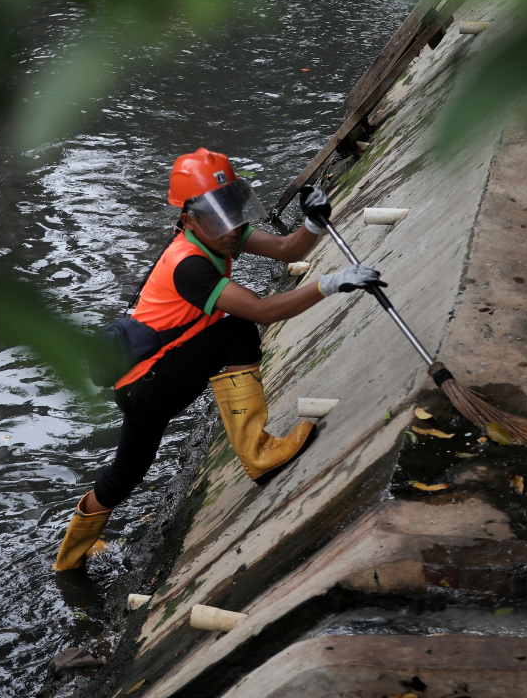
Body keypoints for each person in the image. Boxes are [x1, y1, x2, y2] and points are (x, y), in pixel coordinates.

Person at [53, 148, 382, 572]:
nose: (231, 228)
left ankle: (69, 559)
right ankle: (258, 453)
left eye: (234, 210)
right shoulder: (189, 267)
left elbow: (285, 248)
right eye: (217, 216)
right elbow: (261, 311)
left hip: (142, 382)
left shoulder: (219, 231)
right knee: (238, 330)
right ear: (188, 218)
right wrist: (330, 284)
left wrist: (313, 223)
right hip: (148, 382)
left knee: (126, 474)